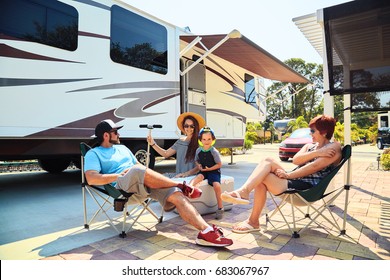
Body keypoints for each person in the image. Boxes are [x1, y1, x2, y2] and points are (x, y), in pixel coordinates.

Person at [84, 119, 232, 247]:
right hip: (121, 185)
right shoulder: (94, 153)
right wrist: (119, 175)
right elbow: (91, 178)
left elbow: (141, 168)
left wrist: (148, 174)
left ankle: (205, 231)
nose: (119, 134)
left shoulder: (122, 148)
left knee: (177, 196)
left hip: (142, 183)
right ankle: (179, 184)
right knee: (136, 169)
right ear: (106, 135)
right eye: (116, 132)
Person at [221, 115, 341, 233]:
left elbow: (314, 167)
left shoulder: (333, 147)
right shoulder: (310, 146)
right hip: (294, 179)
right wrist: (318, 152)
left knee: (262, 177)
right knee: (267, 161)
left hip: (306, 189)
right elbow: (296, 160)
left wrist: (288, 175)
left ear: (324, 132)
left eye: (312, 131)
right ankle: (245, 196)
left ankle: (251, 215)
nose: (310, 133)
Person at [147, 112, 205, 178]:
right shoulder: (180, 141)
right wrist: (153, 143)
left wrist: (186, 174)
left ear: (196, 127)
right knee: (155, 178)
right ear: (183, 127)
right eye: (186, 126)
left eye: (192, 126)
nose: (189, 128)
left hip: (192, 177)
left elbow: (200, 166)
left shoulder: (200, 143)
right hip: (178, 176)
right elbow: (166, 154)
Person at [189, 126, 224, 219]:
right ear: (201, 140)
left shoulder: (214, 151)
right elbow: (196, 161)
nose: (207, 141)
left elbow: (219, 164)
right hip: (203, 171)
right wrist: (199, 165)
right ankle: (189, 188)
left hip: (214, 171)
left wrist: (210, 169)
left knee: (217, 185)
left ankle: (220, 207)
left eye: (209, 139)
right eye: (204, 139)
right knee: (198, 178)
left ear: (213, 139)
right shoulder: (198, 150)